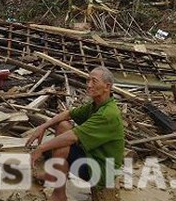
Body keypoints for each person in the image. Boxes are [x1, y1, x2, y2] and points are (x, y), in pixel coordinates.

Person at [27, 66, 124, 201]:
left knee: (61, 146)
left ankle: (58, 193)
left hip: (102, 170)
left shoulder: (108, 114)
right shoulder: (95, 105)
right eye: (88, 81)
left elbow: (72, 137)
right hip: (92, 155)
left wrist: (40, 148)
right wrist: (44, 126)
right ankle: (56, 179)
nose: (89, 85)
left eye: (94, 81)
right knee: (63, 126)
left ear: (107, 87)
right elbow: (69, 113)